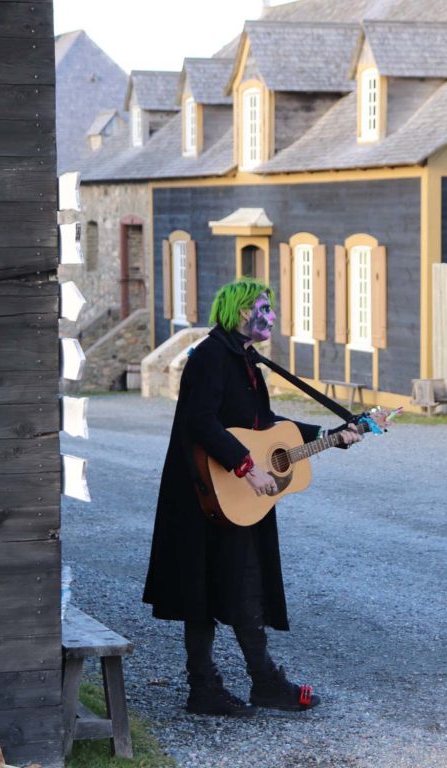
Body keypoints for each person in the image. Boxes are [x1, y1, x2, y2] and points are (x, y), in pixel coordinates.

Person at [142, 278, 361, 717]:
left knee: (245, 587)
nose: (272, 317)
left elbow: (266, 422)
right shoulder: (208, 358)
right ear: (242, 312)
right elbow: (199, 422)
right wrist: (246, 465)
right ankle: (209, 688)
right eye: (264, 307)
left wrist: (328, 436)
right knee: (201, 592)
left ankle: (260, 683)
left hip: (241, 495)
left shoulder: (247, 363)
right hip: (204, 493)